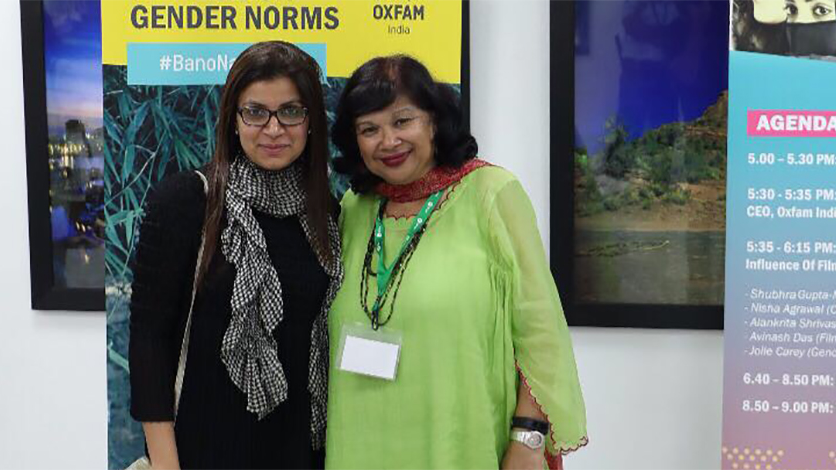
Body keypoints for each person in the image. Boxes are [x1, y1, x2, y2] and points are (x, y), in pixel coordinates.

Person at [325, 55, 588, 470]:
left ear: (433, 120)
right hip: (359, 441)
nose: (388, 141)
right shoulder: (354, 209)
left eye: (402, 121)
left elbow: (541, 331)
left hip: (459, 440)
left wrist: (528, 439)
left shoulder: (490, 193)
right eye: (369, 129)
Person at [128, 41, 341, 469]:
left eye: (291, 112)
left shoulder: (327, 216)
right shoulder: (188, 201)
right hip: (201, 452)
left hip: (299, 453)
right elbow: (149, 340)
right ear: (234, 120)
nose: (274, 129)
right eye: (256, 112)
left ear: (311, 121)